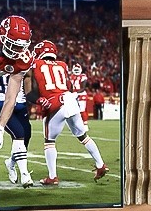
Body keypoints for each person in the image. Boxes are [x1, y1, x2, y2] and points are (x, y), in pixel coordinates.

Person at [27, 41, 108, 184]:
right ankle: (100, 165)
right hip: (70, 99)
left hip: (54, 102)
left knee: (49, 142)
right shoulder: (63, 65)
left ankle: (52, 177)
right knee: (83, 136)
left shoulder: (35, 64)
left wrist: (39, 99)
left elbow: (32, 90)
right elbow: (69, 86)